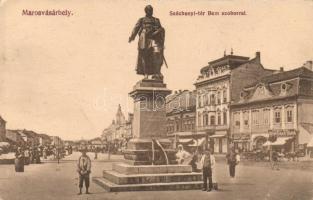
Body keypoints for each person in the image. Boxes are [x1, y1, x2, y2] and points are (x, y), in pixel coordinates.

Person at [128, 5, 165, 80]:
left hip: (154, 39)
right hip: (144, 39)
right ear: (146, 11)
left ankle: (156, 72)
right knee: (145, 57)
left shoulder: (156, 20)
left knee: (156, 54)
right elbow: (136, 28)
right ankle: (146, 74)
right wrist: (132, 37)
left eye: (151, 10)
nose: (150, 11)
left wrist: (158, 32)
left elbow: (161, 29)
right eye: (148, 10)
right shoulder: (142, 20)